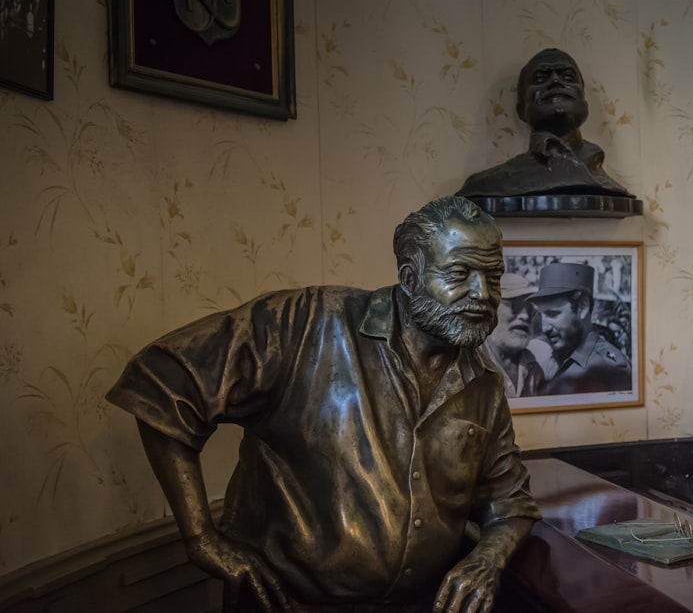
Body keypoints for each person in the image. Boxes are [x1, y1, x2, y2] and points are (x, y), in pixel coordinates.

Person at [106, 196, 540, 613]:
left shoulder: (483, 383)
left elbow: (510, 503)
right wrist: (201, 537)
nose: (484, 294)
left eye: (494, 276)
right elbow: (162, 382)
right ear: (410, 278)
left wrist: (488, 559)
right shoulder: (305, 323)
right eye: (461, 273)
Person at [456, 48, 634, 199]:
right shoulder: (488, 184)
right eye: (540, 78)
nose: (556, 81)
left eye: (568, 76)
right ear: (521, 110)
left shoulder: (604, 179)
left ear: (585, 104)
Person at [527, 262, 631, 395]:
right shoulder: (551, 362)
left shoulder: (611, 369)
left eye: (553, 314)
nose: (544, 328)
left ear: (582, 307)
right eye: (541, 316)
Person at [482, 273, 545, 398]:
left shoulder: (535, 371)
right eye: (515, 306)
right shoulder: (469, 366)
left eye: (530, 309)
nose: (525, 315)